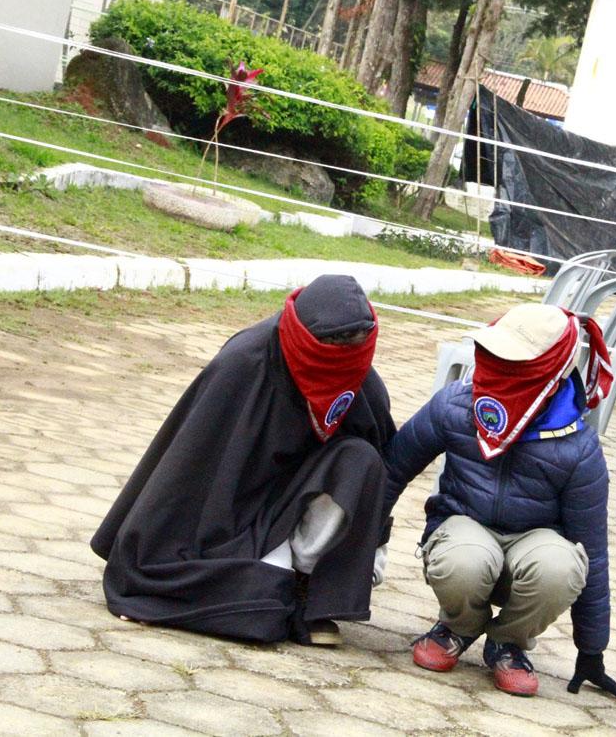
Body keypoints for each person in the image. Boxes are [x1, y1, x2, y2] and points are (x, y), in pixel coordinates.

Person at [90, 275, 395, 646]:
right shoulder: (243, 363)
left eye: (354, 341)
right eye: (333, 342)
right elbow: (186, 468)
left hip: (292, 510)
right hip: (229, 517)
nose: (344, 349)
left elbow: (381, 473)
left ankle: (307, 587)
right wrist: (148, 553)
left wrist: (367, 556)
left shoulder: (359, 379)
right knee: (261, 609)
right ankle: (276, 592)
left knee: (362, 458)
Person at [382, 304, 616, 700]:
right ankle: (457, 628)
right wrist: (350, 574)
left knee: (562, 567)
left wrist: (592, 650)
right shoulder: (456, 405)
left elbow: (592, 551)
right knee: (464, 560)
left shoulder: (578, 446)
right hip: (463, 529)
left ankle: (508, 643)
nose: (496, 365)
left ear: (553, 370)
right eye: (494, 354)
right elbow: (389, 473)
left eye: (513, 360)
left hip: (533, 546)